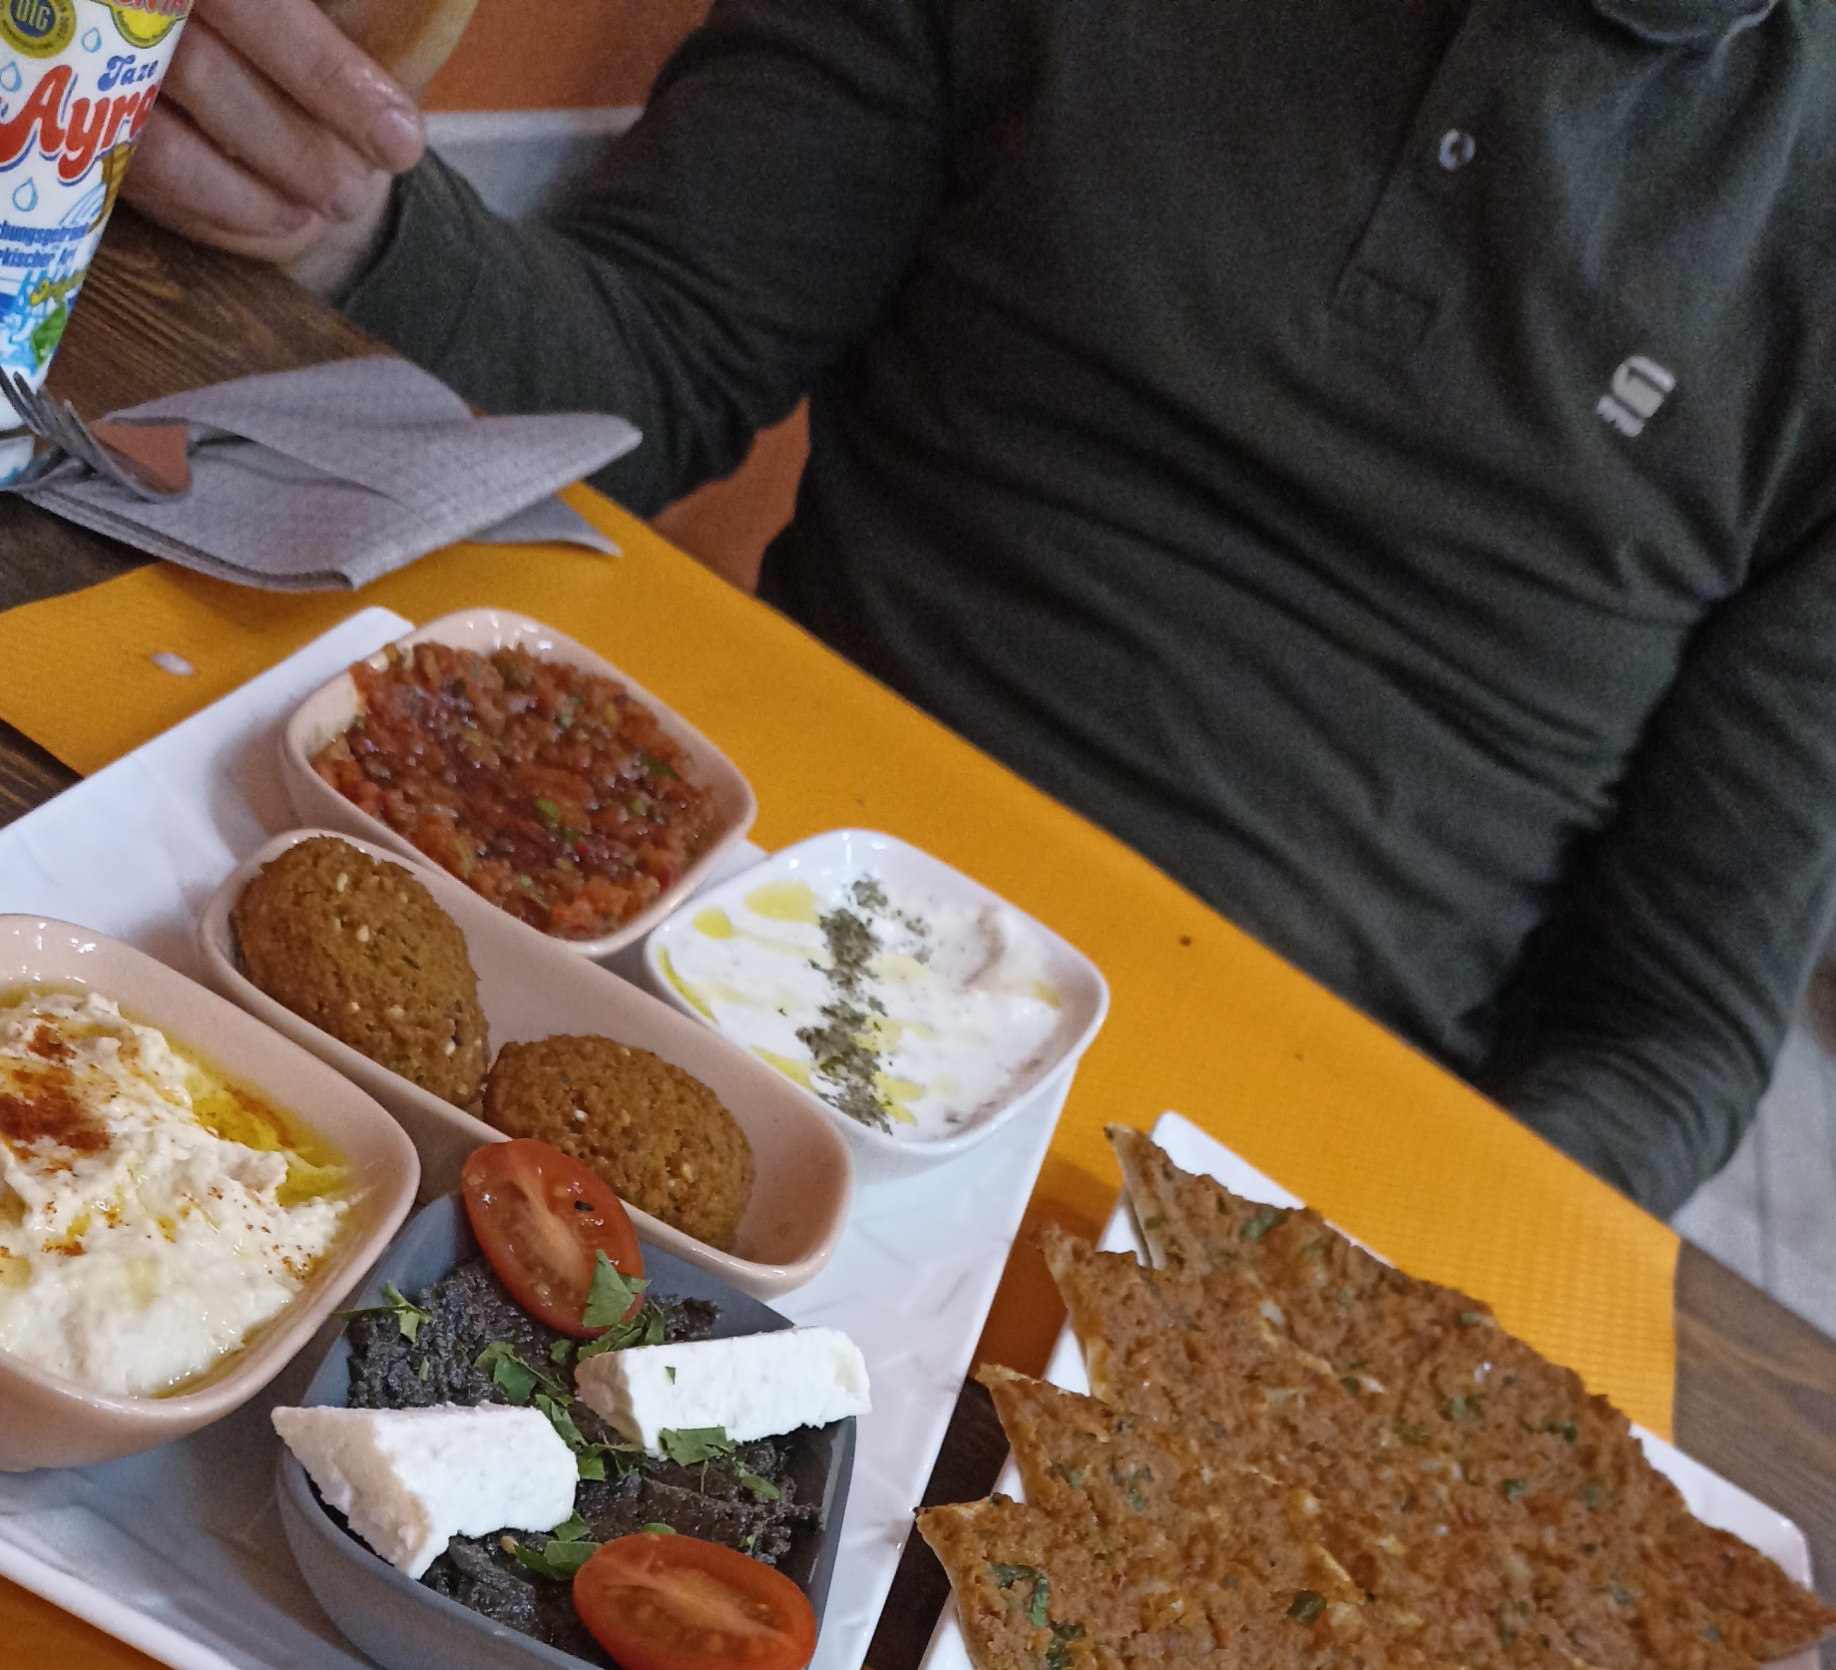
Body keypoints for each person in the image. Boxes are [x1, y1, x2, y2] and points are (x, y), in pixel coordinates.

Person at [126, 0, 1836, 1218]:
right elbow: (653, 359)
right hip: (715, 942)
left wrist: (1371, 1298)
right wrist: (349, 223)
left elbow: (1666, 1033)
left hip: (1254, 1189)